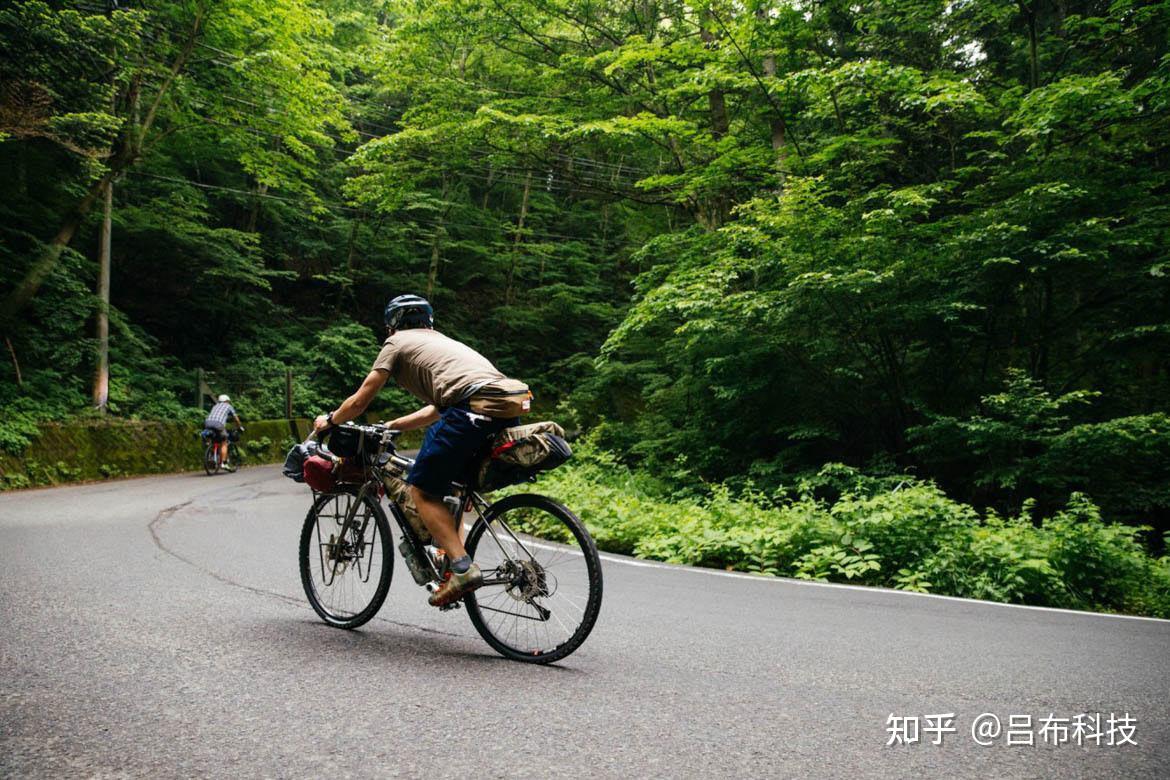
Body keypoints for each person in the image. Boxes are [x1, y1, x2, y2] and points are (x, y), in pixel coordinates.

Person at [314, 294, 529, 607]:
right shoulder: (444, 343)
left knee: (420, 490)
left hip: (470, 408)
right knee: (454, 487)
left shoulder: (398, 342)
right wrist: (394, 425)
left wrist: (330, 420)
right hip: (505, 404)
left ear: (392, 326)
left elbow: (361, 400)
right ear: (429, 322)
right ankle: (451, 561)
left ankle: (461, 569)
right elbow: (437, 410)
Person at [204, 394, 243, 472]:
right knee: (224, 442)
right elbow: (236, 418)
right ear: (227, 401)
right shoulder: (228, 406)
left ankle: (211, 454)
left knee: (214, 438)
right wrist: (240, 426)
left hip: (207, 423)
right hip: (218, 424)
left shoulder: (215, 406)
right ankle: (223, 463)